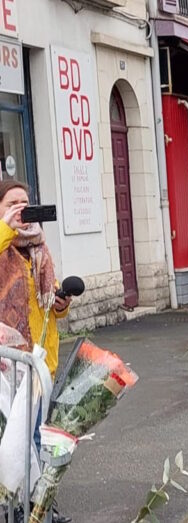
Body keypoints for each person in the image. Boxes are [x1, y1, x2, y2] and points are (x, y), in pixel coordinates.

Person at [0, 180, 73, 523]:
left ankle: (42, 507)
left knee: (41, 441)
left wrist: (61, 304)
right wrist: (6, 228)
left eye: (25, 203)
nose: (21, 209)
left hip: (42, 360)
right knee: (17, 442)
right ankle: (21, 507)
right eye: (12, 203)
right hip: (8, 365)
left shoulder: (39, 247)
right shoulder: (2, 246)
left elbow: (49, 307)